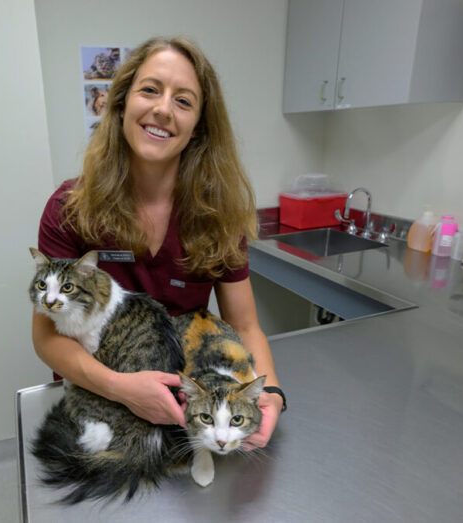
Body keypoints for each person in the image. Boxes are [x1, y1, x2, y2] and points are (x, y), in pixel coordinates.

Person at [32, 36, 283, 450]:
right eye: (150, 90)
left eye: (184, 101)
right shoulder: (68, 208)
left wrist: (271, 395)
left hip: (191, 408)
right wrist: (119, 387)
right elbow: (46, 336)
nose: (163, 109)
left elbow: (245, 324)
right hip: (98, 397)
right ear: (121, 104)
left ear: (199, 126)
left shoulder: (219, 214)